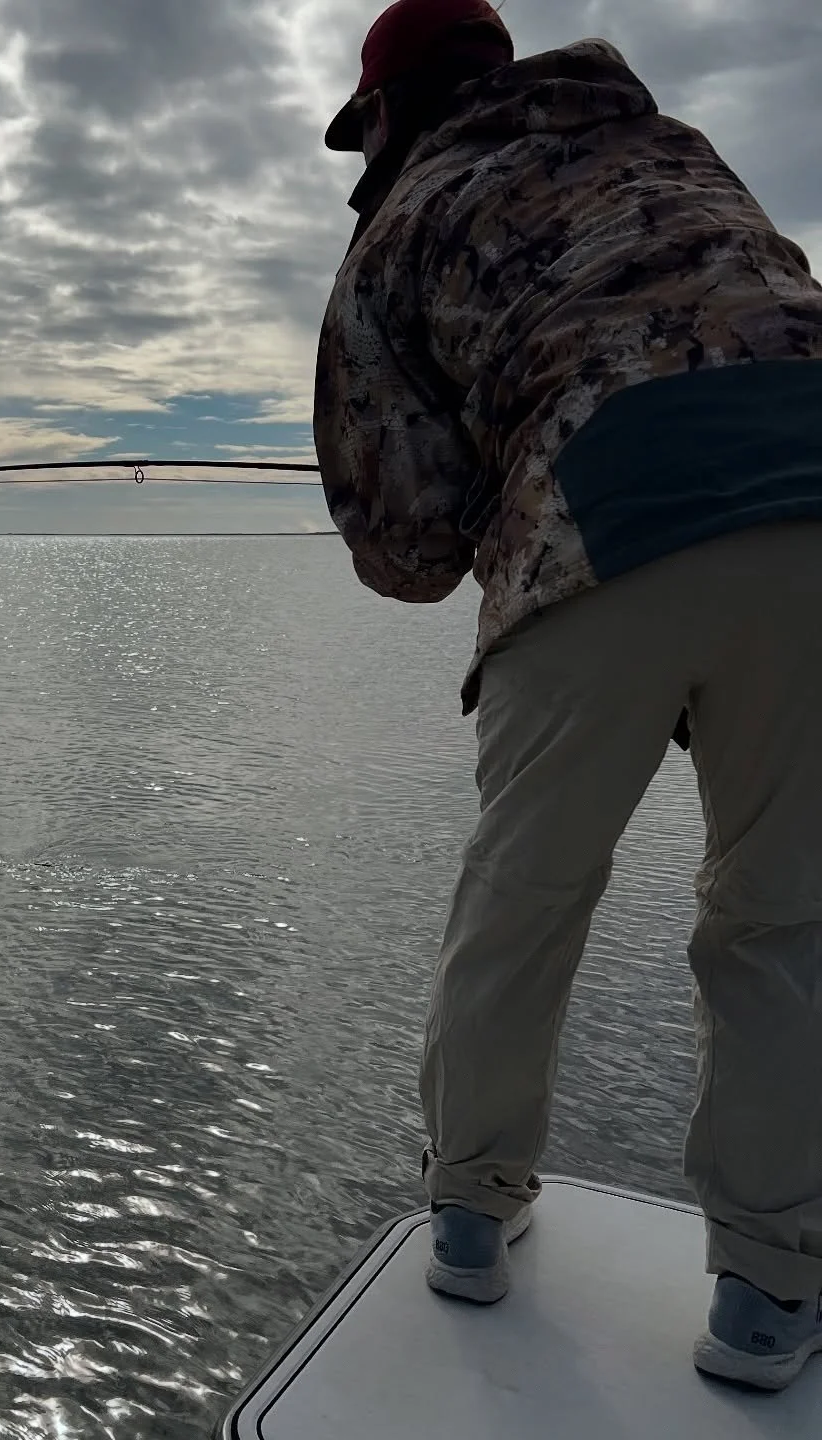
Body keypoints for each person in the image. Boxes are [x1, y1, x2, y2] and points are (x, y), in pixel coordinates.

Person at [315, 0, 822, 1393]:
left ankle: (473, 1217)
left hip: (599, 521)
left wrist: (502, 504)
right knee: (785, 916)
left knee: (523, 896)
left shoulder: (405, 218)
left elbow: (403, 545)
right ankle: (772, 1296)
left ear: (389, 115)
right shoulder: (675, 144)